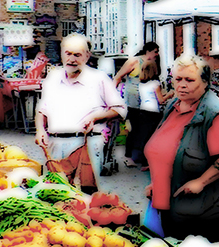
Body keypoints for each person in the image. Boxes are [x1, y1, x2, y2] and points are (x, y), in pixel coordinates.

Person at [144, 53, 219, 241]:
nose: (182, 85)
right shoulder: (174, 105)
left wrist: (201, 182)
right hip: (170, 202)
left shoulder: (214, 112)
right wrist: (158, 181)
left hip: (200, 209)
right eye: (178, 79)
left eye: (189, 80)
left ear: (205, 82)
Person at [35, 34, 127, 192]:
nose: (71, 59)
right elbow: (42, 109)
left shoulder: (99, 78)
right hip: (55, 143)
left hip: (88, 144)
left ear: (87, 56)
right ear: (62, 53)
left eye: (77, 55)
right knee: (57, 194)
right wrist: (40, 130)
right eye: (68, 53)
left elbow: (120, 109)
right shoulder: (53, 77)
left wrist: (96, 117)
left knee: (86, 194)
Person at [114, 42, 161, 168]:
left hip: (146, 103)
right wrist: (112, 97)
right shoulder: (134, 61)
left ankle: (141, 155)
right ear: (148, 51)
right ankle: (128, 155)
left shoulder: (153, 63)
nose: (157, 54)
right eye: (155, 51)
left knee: (144, 130)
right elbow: (118, 77)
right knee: (134, 128)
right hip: (133, 101)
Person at [125, 58, 168, 168]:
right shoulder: (155, 83)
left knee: (145, 136)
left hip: (143, 110)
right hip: (154, 112)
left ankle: (144, 161)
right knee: (154, 136)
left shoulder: (141, 84)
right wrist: (170, 94)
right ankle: (151, 161)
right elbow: (161, 100)